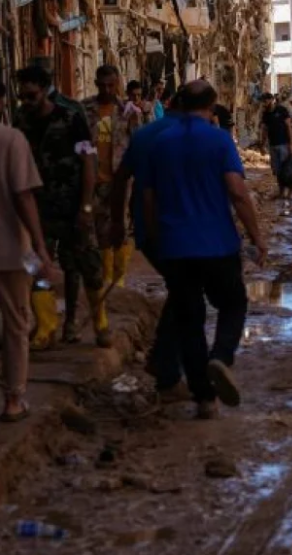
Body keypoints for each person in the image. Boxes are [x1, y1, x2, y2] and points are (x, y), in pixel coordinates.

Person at [140, 80, 267, 419]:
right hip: (216, 244)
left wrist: (156, 238)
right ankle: (221, 357)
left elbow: (148, 198)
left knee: (189, 320)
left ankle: (204, 399)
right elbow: (237, 192)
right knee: (233, 303)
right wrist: (257, 236)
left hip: (175, 246)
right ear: (211, 105)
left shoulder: (160, 141)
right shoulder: (218, 139)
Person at [13, 65, 108, 348]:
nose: (26, 103)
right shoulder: (22, 122)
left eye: (31, 96)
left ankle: (99, 323)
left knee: (86, 266)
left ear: (44, 90)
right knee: (36, 268)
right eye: (22, 97)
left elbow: (88, 162)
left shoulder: (71, 118)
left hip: (73, 207)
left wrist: (86, 207)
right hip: (38, 210)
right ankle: (46, 326)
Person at [109, 91, 185, 400]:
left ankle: (165, 363)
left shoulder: (143, 135)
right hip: (180, 230)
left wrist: (117, 222)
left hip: (147, 230)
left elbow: (120, 178)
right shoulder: (187, 136)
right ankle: (165, 365)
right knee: (185, 294)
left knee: (182, 292)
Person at [0, 97, 55, 421]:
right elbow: (24, 195)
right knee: (17, 324)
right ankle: (13, 399)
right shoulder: (12, 140)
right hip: (9, 250)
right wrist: (40, 245)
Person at [83, 65, 139, 296]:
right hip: (92, 179)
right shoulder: (85, 109)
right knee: (95, 230)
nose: (106, 89)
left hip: (119, 179)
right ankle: (103, 277)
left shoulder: (127, 111)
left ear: (117, 84)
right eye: (102, 85)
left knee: (119, 227)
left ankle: (119, 278)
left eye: (111, 85)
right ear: (96, 84)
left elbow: (137, 145)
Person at [260, 93, 292, 199]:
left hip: (283, 144)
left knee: (287, 169)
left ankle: (290, 192)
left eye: (265, 101)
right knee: (277, 170)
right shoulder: (265, 114)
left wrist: (291, 143)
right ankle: (281, 191)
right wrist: (262, 144)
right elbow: (264, 130)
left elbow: (288, 127)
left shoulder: (282, 110)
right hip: (272, 145)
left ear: (271, 100)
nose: (264, 104)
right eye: (263, 102)